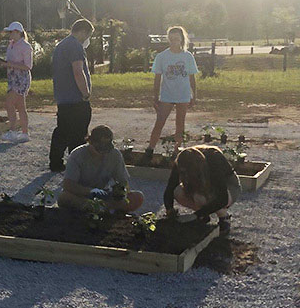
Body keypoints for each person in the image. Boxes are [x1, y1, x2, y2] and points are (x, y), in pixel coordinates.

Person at [58, 125, 144, 214]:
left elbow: (123, 180)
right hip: (81, 195)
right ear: (90, 142)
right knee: (64, 197)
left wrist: (120, 192)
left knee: (138, 197)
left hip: (104, 196)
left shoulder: (115, 154)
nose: (103, 153)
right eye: (100, 149)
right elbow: (68, 185)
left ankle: (101, 208)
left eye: (106, 149)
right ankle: (99, 208)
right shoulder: (77, 155)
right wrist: (91, 191)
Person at [144, 26, 199, 157]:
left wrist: (194, 95)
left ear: (182, 39)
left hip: (183, 94)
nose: (174, 41)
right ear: (168, 39)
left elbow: (192, 77)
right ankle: (150, 149)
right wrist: (155, 97)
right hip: (167, 95)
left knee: (180, 123)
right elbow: (157, 78)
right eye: (171, 38)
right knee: (160, 121)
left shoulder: (188, 56)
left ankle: (177, 151)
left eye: (177, 38)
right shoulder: (162, 56)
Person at [49, 19, 95, 172]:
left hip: (63, 96)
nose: (87, 39)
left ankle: (55, 162)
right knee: (78, 132)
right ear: (83, 32)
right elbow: (78, 71)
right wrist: (85, 93)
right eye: (88, 35)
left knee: (62, 130)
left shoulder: (61, 45)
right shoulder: (75, 46)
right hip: (76, 98)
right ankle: (77, 166)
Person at [163, 145, 241, 236]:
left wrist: (196, 215)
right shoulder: (182, 160)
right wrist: (170, 211)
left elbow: (222, 198)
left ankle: (224, 217)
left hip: (229, 187)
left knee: (200, 198)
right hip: (202, 186)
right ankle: (203, 216)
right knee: (178, 192)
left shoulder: (214, 159)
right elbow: (170, 188)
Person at [0, 22, 33, 143]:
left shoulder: (25, 46)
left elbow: (28, 66)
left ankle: (13, 131)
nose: (9, 34)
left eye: (11, 32)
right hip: (13, 78)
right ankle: (24, 133)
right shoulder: (11, 44)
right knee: (20, 106)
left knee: (9, 103)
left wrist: (8, 64)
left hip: (21, 79)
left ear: (18, 32)